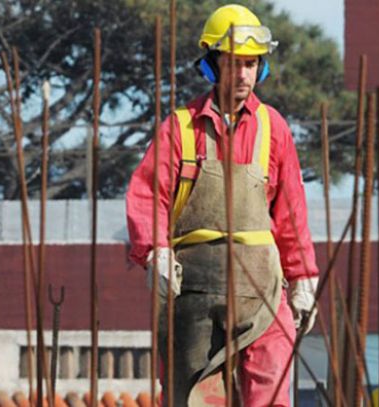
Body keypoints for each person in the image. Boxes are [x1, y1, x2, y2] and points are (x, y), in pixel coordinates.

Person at [126, 4, 319, 406]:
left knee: (270, 395)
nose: (244, 74)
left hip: (262, 293)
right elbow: (149, 195)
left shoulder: (273, 128)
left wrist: (303, 277)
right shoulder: (180, 128)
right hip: (196, 293)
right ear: (213, 66)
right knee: (193, 396)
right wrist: (156, 251)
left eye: (251, 64)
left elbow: (290, 212)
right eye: (234, 63)